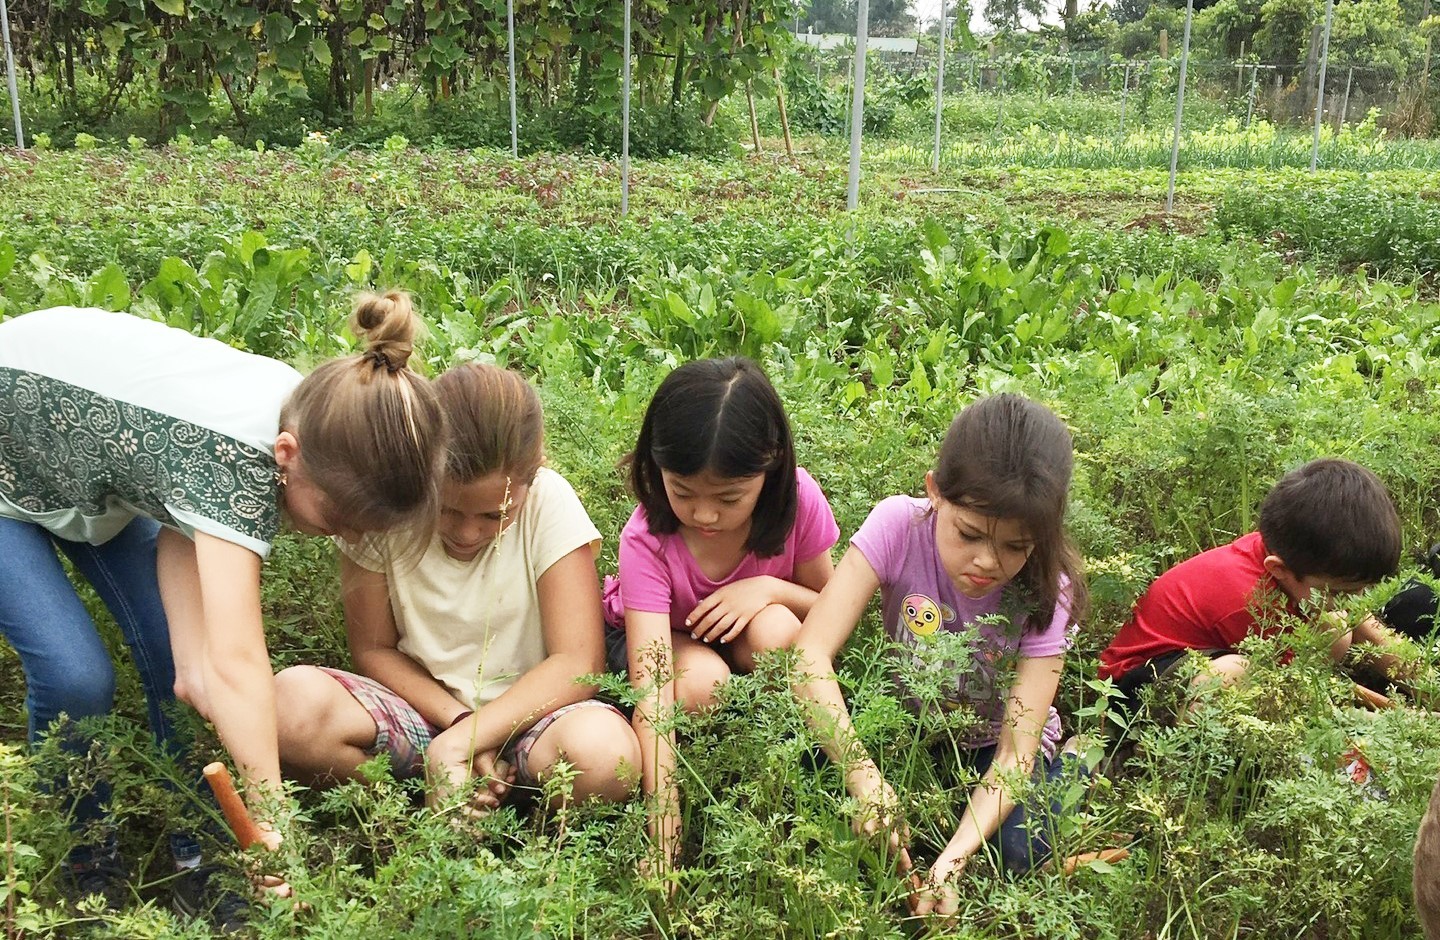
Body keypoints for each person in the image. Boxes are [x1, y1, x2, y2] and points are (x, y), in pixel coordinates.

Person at [0, 297, 445, 920]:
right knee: (77, 674)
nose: (341, 536)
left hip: (83, 466)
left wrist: (195, 671)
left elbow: (194, 590)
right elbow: (239, 659)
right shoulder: (233, 458)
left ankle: (200, 857)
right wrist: (271, 817)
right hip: (10, 455)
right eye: (337, 518)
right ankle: (83, 861)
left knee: (175, 668)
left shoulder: (329, 419)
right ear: (285, 456)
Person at [274, 363, 639, 814]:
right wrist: (457, 726)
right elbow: (372, 650)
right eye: (445, 510)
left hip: (536, 719)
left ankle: (510, 809)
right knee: (289, 708)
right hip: (426, 713)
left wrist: (464, 742)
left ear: (533, 476)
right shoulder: (388, 505)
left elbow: (578, 661)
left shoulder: (549, 502)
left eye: (494, 516)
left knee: (606, 756)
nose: (467, 533)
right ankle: (404, 810)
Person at [792, 394, 1087, 917]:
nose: (987, 562)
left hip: (988, 746)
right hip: (901, 728)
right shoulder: (898, 526)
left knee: (1017, 852)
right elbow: (810, 655)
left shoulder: (1049, 589)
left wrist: (952, 859)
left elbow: (1015, 754)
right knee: (813, 797)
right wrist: (863, 777)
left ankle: (1077, 759)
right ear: (934, 493)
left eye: (1017, 547)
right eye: (969, 534)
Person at [604, 357, 839, 872]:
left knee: (780, 633)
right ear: (655, 464)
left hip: (752, 635)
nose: (704, 515)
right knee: (702, 686)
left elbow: (833, 610)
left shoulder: (799, 500)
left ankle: (787, 757)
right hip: (667, 639)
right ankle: (705, 768)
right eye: (682, 492)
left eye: (729, 497)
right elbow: (654, 691)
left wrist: (767, 587)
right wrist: (663, 836)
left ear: (771, 467)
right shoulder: (647, 539)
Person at [1098, 458, 1404, 721]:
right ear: (1279, 569)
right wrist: (1397, 715)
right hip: (1132, 692)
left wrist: (1425, 685)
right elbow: (1299, 688)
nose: (1354, 603)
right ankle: (1153, 758)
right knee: (1238, 672)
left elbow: (1365, 628)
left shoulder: (1296, 559)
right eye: (1340, 594)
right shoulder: (1248, 599)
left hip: (1200, 662)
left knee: (1335, 626)